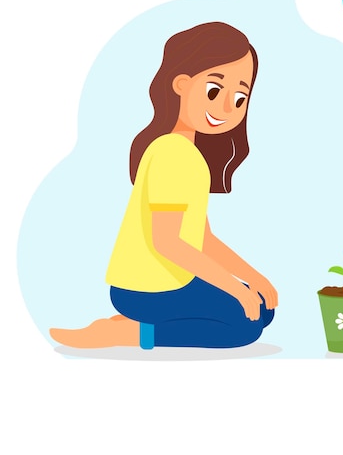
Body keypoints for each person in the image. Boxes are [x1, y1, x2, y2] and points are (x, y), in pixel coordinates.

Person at [50, 22, 277, 349]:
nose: (227, 107)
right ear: (182, 84)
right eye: (214, 91)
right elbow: (168, 242)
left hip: (172, 279)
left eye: (240, 97)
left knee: (263, 309)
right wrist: (234, 287)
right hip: (146, 288)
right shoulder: (173, 153)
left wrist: (252, 279)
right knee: (244, 329)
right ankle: (126, 333)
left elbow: (201, 237)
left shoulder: (189, 155)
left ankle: (141, 323)